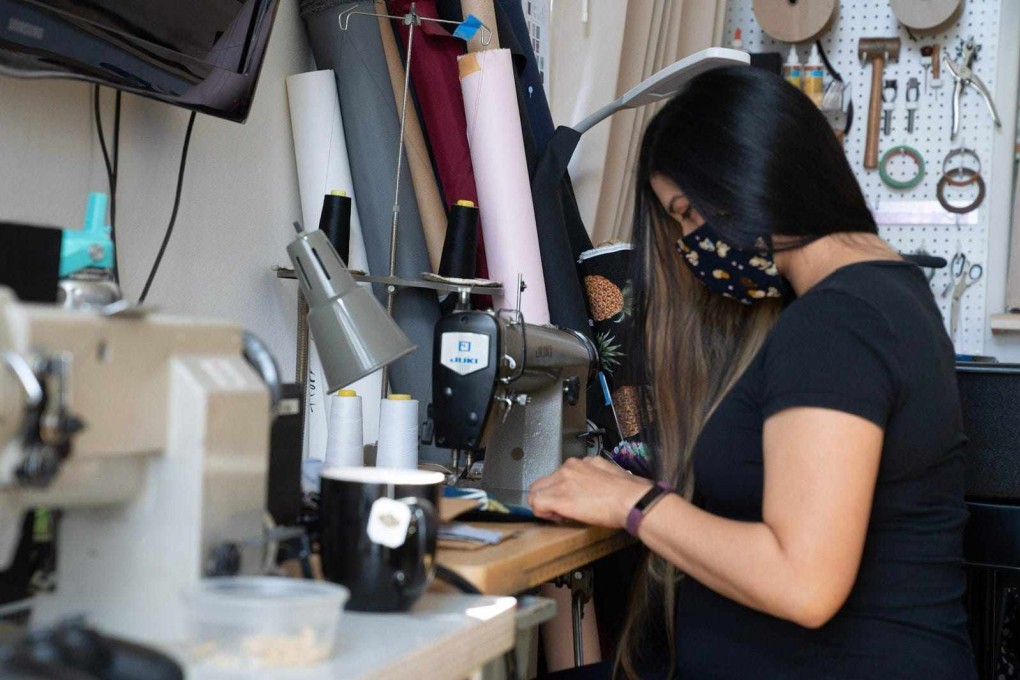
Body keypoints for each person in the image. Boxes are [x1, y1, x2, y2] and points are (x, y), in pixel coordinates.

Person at [530, 66, 976, 679]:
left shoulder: (837, 320)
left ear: (748, 175)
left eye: (687, 215)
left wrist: (631, 502)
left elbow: (804, 584)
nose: (689, 243)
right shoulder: (880, 295)